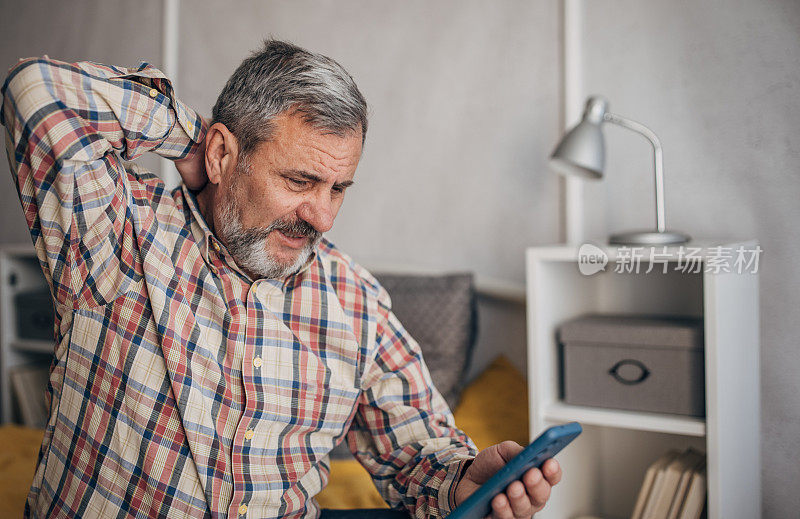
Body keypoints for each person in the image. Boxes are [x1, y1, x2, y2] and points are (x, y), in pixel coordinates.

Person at [1, 39, 561, 518]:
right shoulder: (121, 230)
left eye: (338, 189)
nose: (321, 216)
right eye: (299, 179)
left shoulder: (356, 300)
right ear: (224, 153)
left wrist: (465, 481)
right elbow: (36, 90)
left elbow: (420, 454)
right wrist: (191, 140)